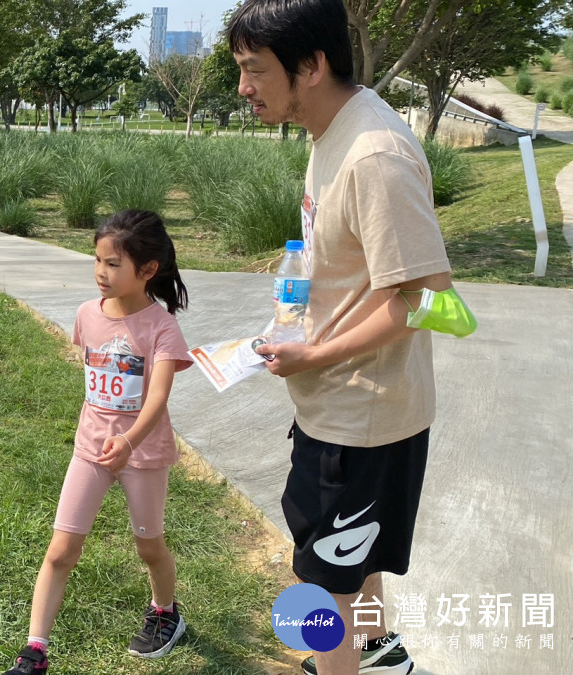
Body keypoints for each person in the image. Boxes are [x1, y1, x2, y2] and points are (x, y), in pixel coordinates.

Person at [228, 1, 456, 674]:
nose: (243, 87)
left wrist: (315, 353)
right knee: (351, 562)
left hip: (363, 416)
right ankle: (380, 654)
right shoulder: (331, 134)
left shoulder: (373, 153)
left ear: (312, 65)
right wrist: (294, 326)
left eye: (253, 69)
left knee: (327, 584)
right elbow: (355, 274)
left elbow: (427, 299)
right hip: (336, 403)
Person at [2, 210, 193, 674]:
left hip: (142, 454)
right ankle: (35, 650)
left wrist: (128, 440)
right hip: (90, 450)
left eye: (113, 264)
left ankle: (166, 612)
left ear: (147, 271)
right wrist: (106, 435)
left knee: (150, 547)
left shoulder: (161, 327)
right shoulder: (88, 313)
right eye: (98, 261)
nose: (100, 273)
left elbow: (160, 396)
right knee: (60, 550)